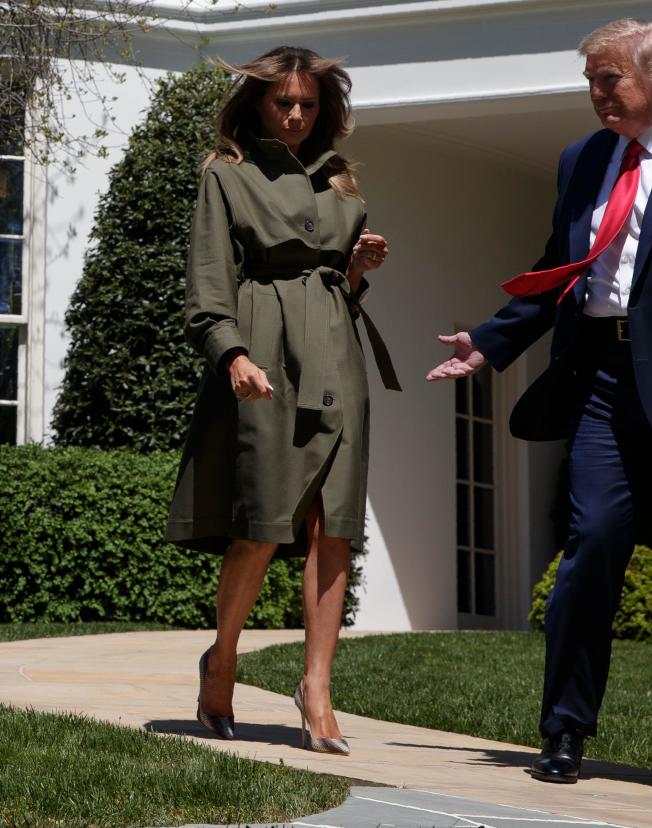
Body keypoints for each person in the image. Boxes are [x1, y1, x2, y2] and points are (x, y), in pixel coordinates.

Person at [427, 18, 652, 811]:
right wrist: (489, 341)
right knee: (590, 548)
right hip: (601, 379)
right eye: (591, 80)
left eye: (608, 80)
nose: (595, 95)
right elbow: (562, 267)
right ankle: (563, 730)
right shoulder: (582, 159)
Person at [165, 46, 400, 755]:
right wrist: (232, 353)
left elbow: (331, 284)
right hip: (265, 353)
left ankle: (318, 687)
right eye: (282, 103)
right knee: (262, 525)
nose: (296, 115)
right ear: (258, 105)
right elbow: (209, 282)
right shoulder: (227, 176)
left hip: (337, 354)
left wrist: (355, 271)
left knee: (335, 530)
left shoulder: (341, 184)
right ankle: (224, 659)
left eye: (307, 105)